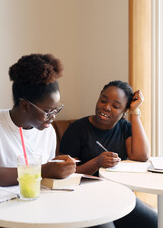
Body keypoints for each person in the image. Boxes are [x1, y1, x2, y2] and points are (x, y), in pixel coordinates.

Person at [0, 54, 77, 228]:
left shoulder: (46, 131)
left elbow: (44, 185)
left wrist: (59, 171)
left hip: (32, 211)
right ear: (25, 105)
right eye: (48, 111)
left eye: (56, 110)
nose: (53, 118)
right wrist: (43, 170)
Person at [59, 80, 157, 228]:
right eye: (103, 100)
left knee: (155, 222)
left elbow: (141, 155)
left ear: (124, 110)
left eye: (116, 106)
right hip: (86, 199)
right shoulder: (77, 129)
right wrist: (96, 162)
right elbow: (65, 175)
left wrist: (135, 113)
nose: (106, 107)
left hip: (119, 195)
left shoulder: (125, 127)